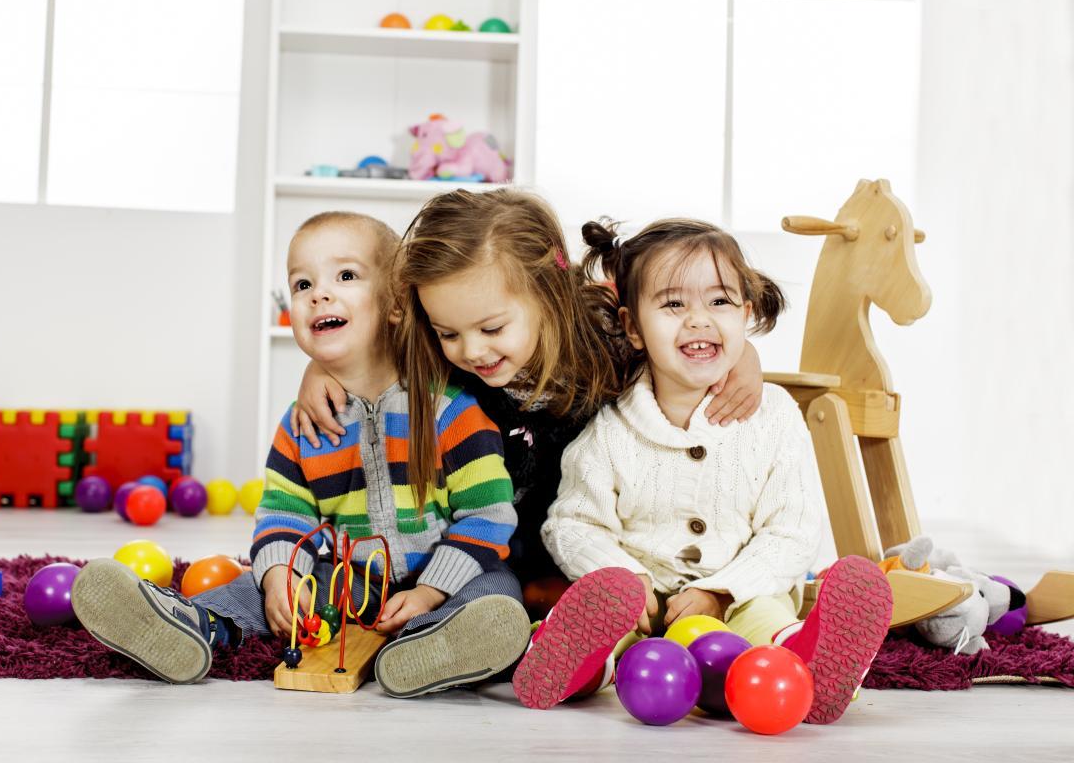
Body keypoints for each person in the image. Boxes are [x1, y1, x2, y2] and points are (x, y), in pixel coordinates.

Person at [71, 211, 531, 696]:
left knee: (498, 594)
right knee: (253, 585)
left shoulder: (452, 410)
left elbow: (488, 514)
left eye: (346, 276)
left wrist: (430, 590)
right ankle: (188, 625)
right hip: (349, 584)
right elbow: (283, 514)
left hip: (447, 578)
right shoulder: (301, 425)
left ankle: (429, 646)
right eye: (302, 283)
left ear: (397, 301)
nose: (319, 294)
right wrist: (279, 579)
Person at [292, 189, 766, 610]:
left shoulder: (605, 337)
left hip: (593, 532)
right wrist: (320, 368)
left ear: (548, 296)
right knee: (515, 596)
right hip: (489, 544)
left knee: (561, 591)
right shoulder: (437, 355)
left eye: (493, 329)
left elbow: (679, 336)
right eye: (449, 332)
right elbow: (369, 348)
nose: (473, 350)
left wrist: (743, 355)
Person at [512, 218, 893, 725]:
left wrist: (721, 590)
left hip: (740, 597)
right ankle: (567, 661)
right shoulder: (611, 428)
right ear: (632, 328)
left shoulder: (774, 418)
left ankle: (810, 664)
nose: (698, 320)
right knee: (610, 632)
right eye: (673, 305)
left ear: (747, 314)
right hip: (639, 606)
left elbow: (792, 529)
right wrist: (629, 579)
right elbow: (573, 524)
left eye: (719, 302)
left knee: (764, 624)